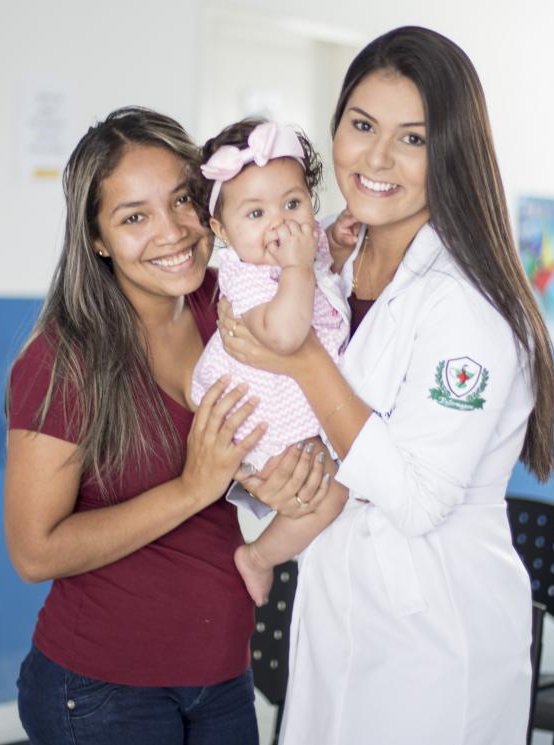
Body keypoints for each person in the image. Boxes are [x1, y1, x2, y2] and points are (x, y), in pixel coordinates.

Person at [220, 27, 554, 745]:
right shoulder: (333, 271)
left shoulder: (468, 306)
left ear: (453, 152)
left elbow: (417, 496)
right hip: (339, 612)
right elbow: (308, 433)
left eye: (413, 138)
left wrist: (300, 357)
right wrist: (263, 480)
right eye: (362, 125)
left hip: (435, 638)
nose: (376, 158)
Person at [3, 106, 332, 745]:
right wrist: (192, 487)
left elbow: (315, 330)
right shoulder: (65, 361)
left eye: (182, 200)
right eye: (134, 217)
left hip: (223, 675)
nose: (172, 231)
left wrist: (291, 473)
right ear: (97, 238)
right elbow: (33, 551)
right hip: (100, 691)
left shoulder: (231, 300)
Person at [188, 119, 350, 606]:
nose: (279, 225)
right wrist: (299, 267)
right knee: (335, 493)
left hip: (298, 398)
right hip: (265, 412)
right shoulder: (249, 277)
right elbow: (285, 334)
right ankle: (258, 557)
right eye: (255, 214)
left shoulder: (296, 247)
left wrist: (335, 242)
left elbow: (321, 267)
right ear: (221, 230)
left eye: (293, 204)